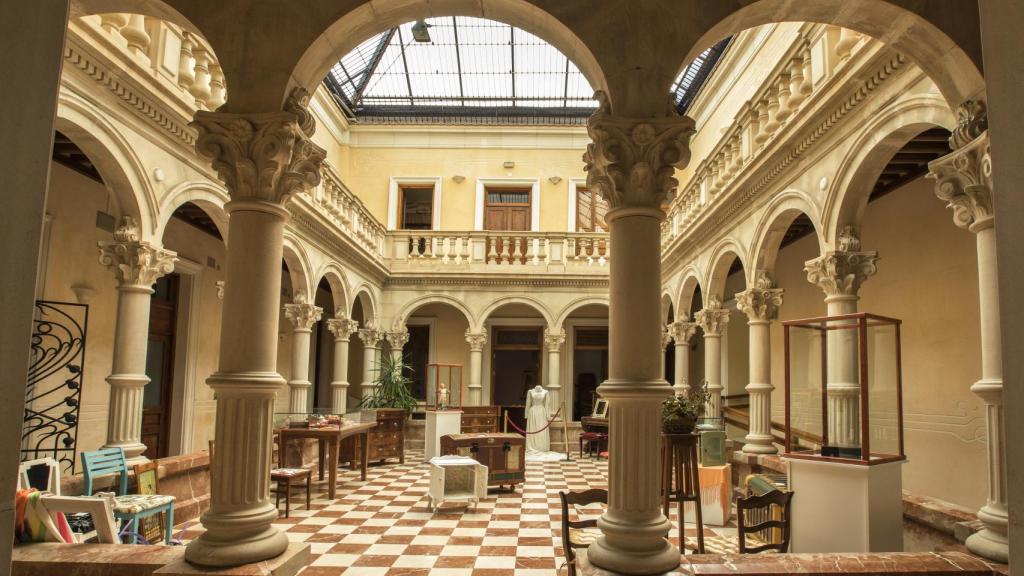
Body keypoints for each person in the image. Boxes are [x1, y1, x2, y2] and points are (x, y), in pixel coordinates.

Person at [525, 384, 550, 453]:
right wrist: (526, 414)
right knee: (533, 428)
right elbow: (528, 404)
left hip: (542, 412)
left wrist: (548, 415)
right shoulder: (530, 391)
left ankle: (541, 446)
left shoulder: (546, 392)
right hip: (533, 412)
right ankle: (532, 446)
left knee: (541, 428)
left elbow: (547, 404)